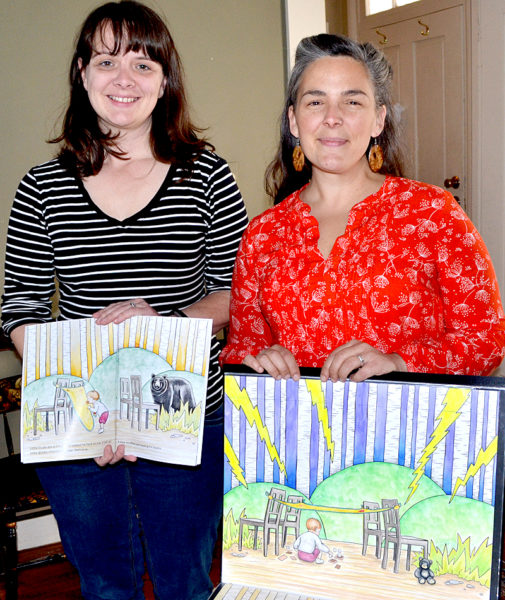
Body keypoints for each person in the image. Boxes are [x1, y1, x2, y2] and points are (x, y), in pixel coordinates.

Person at [1, 2, 248, 598]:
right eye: (107, 61)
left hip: (184, 420)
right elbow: (21, 309)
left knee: (184, 581)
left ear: (166, 81)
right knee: (105, 585)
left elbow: (238, 297)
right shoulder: (43, 185)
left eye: (143, 63)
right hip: (76, 430)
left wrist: (165, 322)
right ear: (82, 74)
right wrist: (97, 404)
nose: (124, 79)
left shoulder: (206, 175)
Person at [220, 33, 505, 381]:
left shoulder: (431, 214)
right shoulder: (262, 235)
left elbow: (486, 339)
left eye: (352, 102)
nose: (332, 117)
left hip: (410, 430)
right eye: (315, 102)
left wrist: (400, 363)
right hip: (299, 431)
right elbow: (240, 348)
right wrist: (260, 359)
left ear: (378, 119)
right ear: (294, 121)